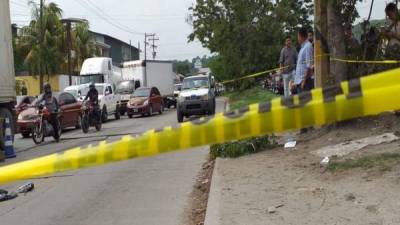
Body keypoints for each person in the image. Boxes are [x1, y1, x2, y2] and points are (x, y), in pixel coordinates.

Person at [295, 27, 314, 94]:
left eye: (298, 36)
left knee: (306, 103)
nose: (297, 38)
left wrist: (304, 81)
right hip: (299, 82)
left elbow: (308, 66)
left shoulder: (308, 47)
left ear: (301, 36)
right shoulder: (303, 47)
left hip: (304, 83)